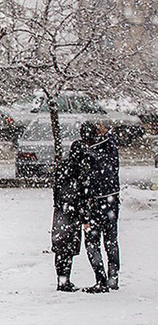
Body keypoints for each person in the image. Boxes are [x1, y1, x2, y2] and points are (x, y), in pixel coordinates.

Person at [51, 121, 94, 292]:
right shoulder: (81, 170)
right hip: (72, 212)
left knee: (61, 248)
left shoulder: (63, 166)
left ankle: (61, 279)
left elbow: (56, 188)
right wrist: (85, 217)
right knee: (68, 248)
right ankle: (64, 280)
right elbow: (82, 195)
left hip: (61, 210)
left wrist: (59, 204)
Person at [83, 123, 121, 293]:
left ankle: (101, 279)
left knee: (92, 241)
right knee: (111, 239)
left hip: (95, 201)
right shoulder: (110, 147)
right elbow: (112, 141)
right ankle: (113, 277)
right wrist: (107, 133)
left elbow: (84, 178)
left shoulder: (88, 152)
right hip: (111, 199)